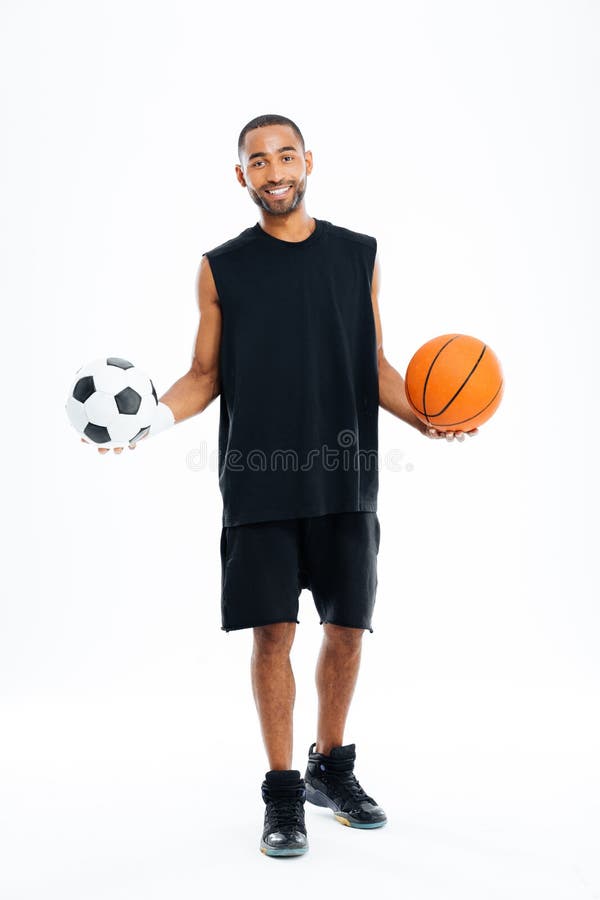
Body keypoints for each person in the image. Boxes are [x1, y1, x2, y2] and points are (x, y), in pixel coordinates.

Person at [83, 113, 478, 857]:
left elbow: (377, 363)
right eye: (257, 162)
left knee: (348, 632)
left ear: (308, 162)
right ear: (242, 176)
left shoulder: (358, 255)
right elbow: (203, 377)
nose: (274, 172)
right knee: (272, 636)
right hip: (259, 483)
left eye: (285, 156)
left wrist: (427, 417)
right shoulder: (221, 267)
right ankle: (282, 793)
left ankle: (331, 767)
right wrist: (147, 423)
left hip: (347, 474)